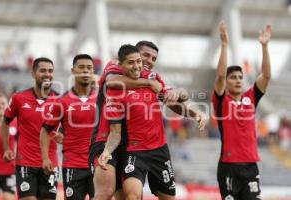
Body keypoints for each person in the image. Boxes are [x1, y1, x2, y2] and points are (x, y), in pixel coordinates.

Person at [99, 44, 205, 200]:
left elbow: (176, 98)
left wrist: (192, 112)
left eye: (153, 58)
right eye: (145, 56)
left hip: (159, 150)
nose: (149, 61)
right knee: (131, 195)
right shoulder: (116, 78)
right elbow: (110, 80)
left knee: (168, 197)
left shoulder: (154, 78)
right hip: (132, 149)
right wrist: (107, 151)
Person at [212, 21, 272, 200]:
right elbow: (220, 75)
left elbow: (267, 76)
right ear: (227, 82)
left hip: (251, 166)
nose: (238, 80)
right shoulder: (221, 100)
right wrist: (224, 45)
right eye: (233, 78)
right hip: (228, 166)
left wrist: (265, 46)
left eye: (240, 77)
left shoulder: (251, 97)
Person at [1, 57, 59, 200]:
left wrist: (63, 135)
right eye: (43, 70)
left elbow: (68, 125)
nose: (47, 74)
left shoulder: (59, 99)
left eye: (50, 71)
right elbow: (5, 122)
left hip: (50, 163)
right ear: (33, 73)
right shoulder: (18, 98)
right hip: (25, 162)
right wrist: (7, 148)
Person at [40, 54, 97, 200]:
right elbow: (46, 130)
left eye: (89, 68)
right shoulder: (62, 101)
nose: (85, 71)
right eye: (81, 67)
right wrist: (46, 158)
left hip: (98, 164)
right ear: (73, 70)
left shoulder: (102, 99)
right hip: (73, 164)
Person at [0, 93, 17, 200]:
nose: (0, 106)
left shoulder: (15, 123)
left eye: (3, 103)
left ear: (7, 105)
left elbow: (20, 143)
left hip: (9, 169)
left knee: (9, 198)